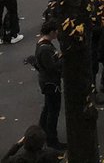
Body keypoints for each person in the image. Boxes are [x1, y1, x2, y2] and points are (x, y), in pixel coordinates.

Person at [32, 21, 64, 152]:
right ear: (51, 32)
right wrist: (62, 59)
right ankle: (52, 139)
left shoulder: (42, 44)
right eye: (56, 31)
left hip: (46, 82)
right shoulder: (46, 49)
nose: (57, 33)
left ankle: (41, 130)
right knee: (53, 111)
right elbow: (52, 67)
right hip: (51, 83)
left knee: (47, 107)